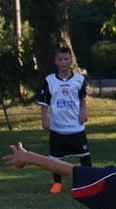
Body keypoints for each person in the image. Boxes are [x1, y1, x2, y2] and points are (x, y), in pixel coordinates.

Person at [38, 46, 91, 194]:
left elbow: (82, 99)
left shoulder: (79, 80)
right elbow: (44, 103)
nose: (63, 62)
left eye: (66, 59)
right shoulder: (49, 80)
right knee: (55, 159)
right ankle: (57, 184)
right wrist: (45, 119)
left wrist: (83, 113)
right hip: (57, 128)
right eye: (60, 59)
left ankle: (88, 182)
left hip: (76, 127)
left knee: (84, 156)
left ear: (71, 61)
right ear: (55, 61)